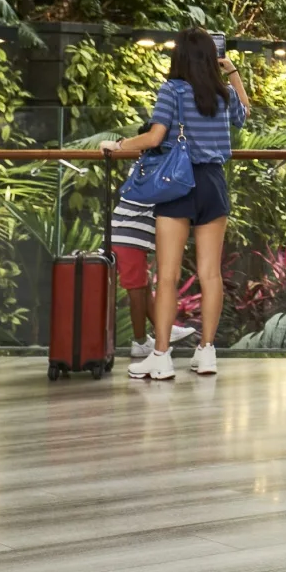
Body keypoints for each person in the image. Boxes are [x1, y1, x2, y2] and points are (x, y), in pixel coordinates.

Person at [103, 28, 249, 382]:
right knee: (210, 274)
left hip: (178, 185)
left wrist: (119, 144)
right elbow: (244, 113)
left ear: (180, 57)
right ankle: (207, 352)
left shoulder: (172, 91)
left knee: (167, 275)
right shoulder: (222, 93)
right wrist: (232, 71)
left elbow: (155, 137)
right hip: (213, 184)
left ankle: (162, 357)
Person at [110, 193, 195, 362]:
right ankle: (140, 342)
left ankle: (165, 330)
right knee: (137, 292)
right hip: (129, 239)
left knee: (144, 285)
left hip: (131, 238)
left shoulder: (147, 171)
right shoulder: (150, 173)